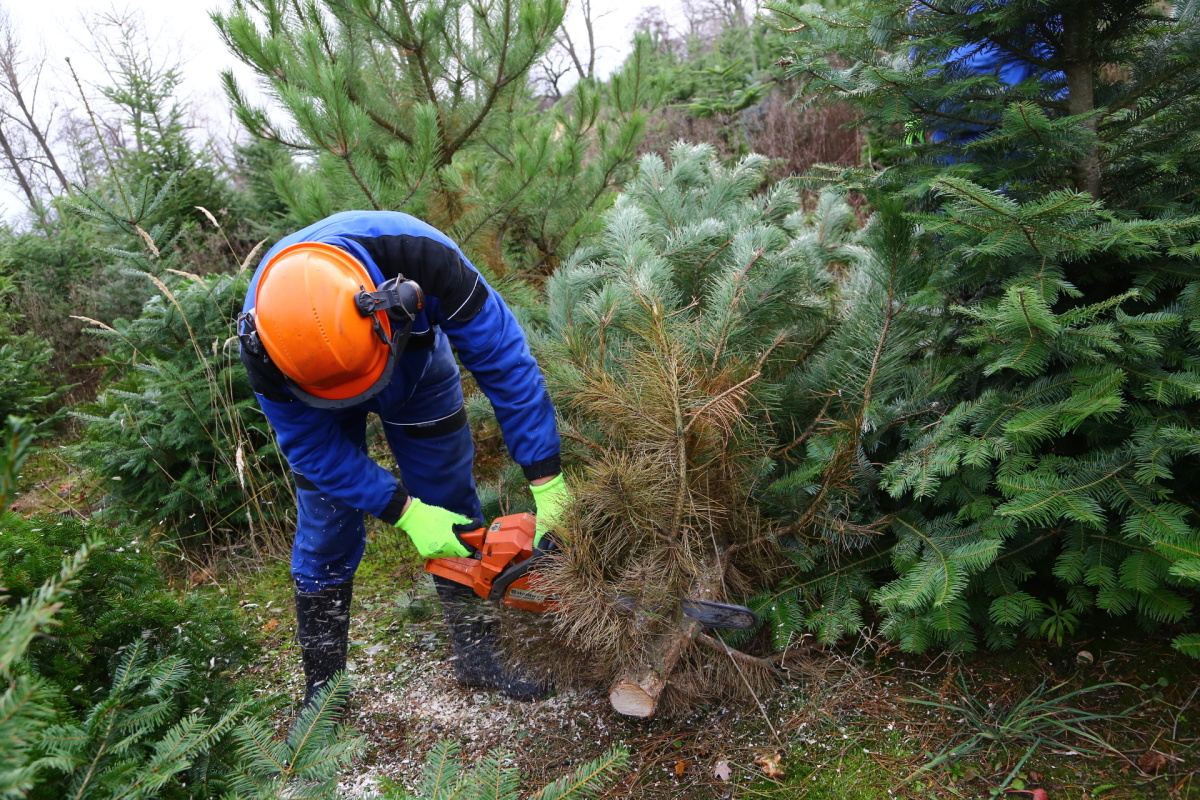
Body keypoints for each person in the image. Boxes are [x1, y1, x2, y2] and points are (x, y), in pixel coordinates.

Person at [236, 210, 570, 712]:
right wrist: (406, 513)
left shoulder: (425, 259)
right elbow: (311, 448)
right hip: (313, 399)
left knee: (449, 497)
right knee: (325, 524)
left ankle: (478, 655)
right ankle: (324, 694)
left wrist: (547, 481)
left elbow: (506, 365)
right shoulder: (264, 344)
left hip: (415, 364)